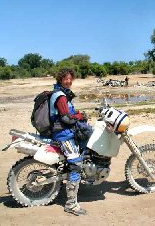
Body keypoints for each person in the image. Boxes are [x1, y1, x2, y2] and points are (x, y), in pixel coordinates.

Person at [50, 68, 90, 215]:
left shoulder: (62, 93)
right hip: (63, 134)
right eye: (65, 79)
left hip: (66, 131)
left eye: (70, 78)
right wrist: (79, 117)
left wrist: (78, 114)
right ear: (60, 79)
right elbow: (66, 118)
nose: (68, 81)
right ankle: (71, 204)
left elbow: (68, 113)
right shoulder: (60, 96)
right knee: (76, 164)